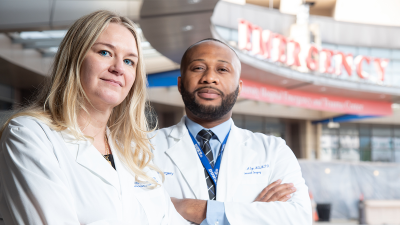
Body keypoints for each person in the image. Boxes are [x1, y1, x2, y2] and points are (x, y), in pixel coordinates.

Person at [0, 10, 186, 225]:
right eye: (105, 52)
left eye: (129, 61)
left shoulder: (133, 150)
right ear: (74, 58)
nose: (118, 68)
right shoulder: (29, 136)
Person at [150, 38, 312, 225]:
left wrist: (186, 207)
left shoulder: (274, 150)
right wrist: (249, 214)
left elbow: (298, 217)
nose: (209, 78)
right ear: (180, 84)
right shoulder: (144, 148)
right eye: (198, 68)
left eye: (222, 69)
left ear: (239, 88)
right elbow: (136, 215)